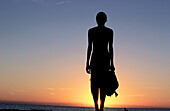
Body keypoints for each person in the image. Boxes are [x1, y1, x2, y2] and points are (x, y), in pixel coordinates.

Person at [86, 12, 115, 111]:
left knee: (95, 84)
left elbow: (89, 47)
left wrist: (87, 63)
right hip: (104, 60)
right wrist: (112, 64)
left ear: (96, 19)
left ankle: (97, 107)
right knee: (102, 85)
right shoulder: (109, 32)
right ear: (105, 20)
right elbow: (110, 48)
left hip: (96, 60)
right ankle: (100, 107)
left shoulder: (92, 31)